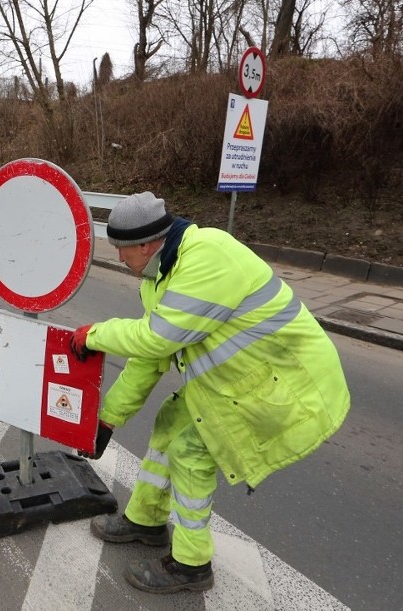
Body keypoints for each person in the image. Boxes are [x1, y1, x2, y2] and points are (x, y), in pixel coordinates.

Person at [68, 192, 350, 594]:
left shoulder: (206, 258)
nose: (117, 258)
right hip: (240, 383)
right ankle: (145, 520)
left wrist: (95, 335)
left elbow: (157, 339)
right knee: (169, 420)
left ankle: (190, 565)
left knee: (190, 451)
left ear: (146, 245)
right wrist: (108, 419)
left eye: (121, 249)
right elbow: (150, 358)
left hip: (289, 386)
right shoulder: (160, 274)